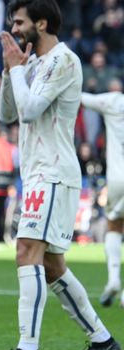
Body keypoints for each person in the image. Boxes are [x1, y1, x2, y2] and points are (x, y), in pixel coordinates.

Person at [0, 0, 120, 350]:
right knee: (51, 265)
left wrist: (16, 71)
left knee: (26, 249)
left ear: (42, 23)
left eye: (20, 22)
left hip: (54, 172)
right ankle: (102, 340)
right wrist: (9, 71)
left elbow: (30, 110)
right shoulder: (32, 64)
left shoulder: (64, 60)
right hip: (37, 173)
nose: (14, 29)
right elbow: (8, 113)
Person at [80, 81, 124, 307]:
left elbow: (79, 97)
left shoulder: (114, 101)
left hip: (117, 177)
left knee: (114, 225)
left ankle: (114, 279)